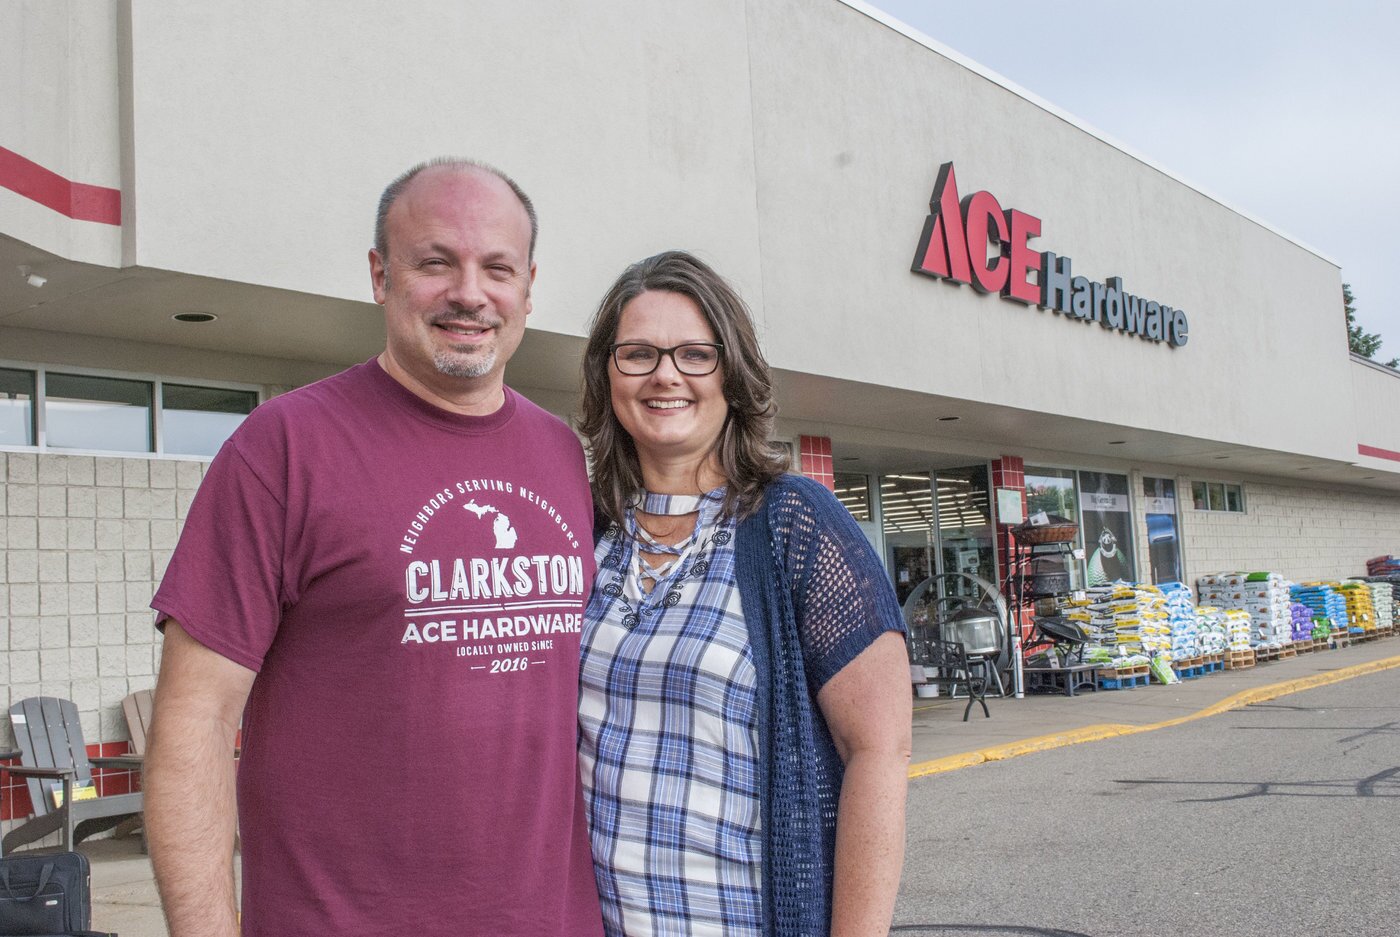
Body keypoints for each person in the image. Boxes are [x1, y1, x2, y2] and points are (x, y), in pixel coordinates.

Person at [145, 159, 604, 937]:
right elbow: (194, 721)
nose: (469, 292)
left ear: (528, 286)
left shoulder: (564, 454)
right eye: (435, 262)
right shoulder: (284, 447)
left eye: (496, 268)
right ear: (379, 276)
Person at [576, 250, 911, 937]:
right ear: (607, 374)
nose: (666, 373)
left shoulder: (794, 524)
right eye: (637, 353)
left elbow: (879, 751)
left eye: (695, 353)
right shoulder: (584, 529)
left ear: (732, 372)